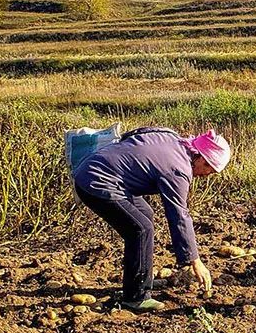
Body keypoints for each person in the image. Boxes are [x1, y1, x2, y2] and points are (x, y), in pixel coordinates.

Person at [73, 127, 231, 311]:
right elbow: (179, 215)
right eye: (209, 170)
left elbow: (135, 134)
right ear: (202, 158)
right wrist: (195, 260)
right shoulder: (178, 169)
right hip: (96, 181)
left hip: (95, 169)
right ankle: (136, 298)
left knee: (144, 215)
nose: (206, 176)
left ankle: (140, 280)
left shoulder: (172, 138)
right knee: (141, 229)